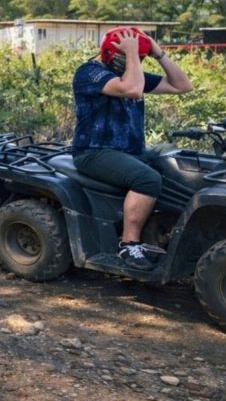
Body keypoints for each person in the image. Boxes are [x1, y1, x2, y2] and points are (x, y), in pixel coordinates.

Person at [72, 26, 193, 270]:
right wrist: (131, 53)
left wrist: (158, 54)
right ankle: (128, 245)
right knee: (147, 179)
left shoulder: (132, 73)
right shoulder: (90, 72)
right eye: (130, 57)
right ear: (110, 53)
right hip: (94, 151)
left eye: (140, 58)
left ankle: (170, 232)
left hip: (131, 150)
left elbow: (182, 86)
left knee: (177, 160)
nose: (135, 61)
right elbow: (132, 89)